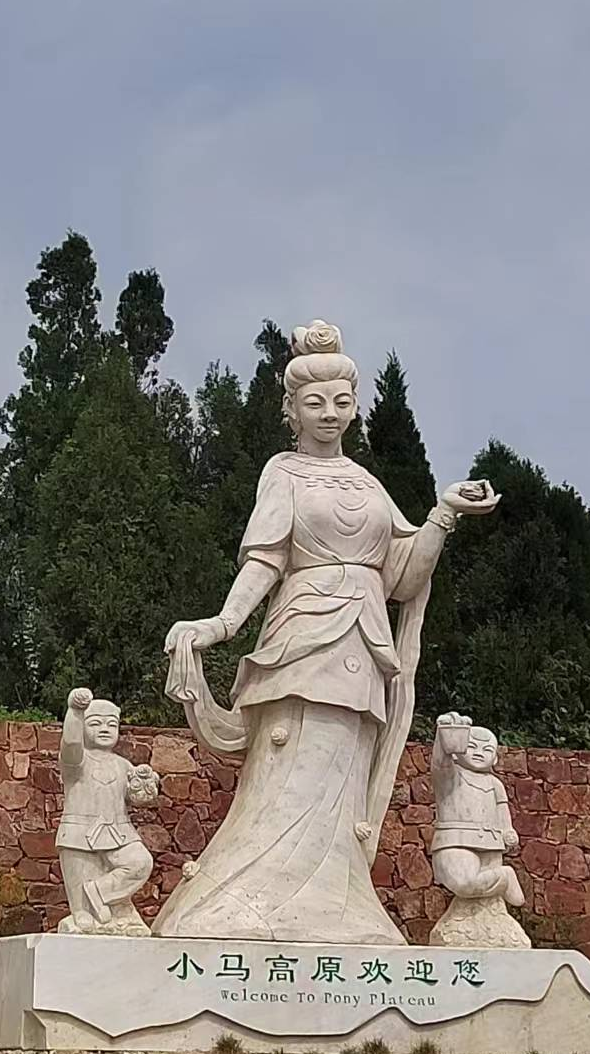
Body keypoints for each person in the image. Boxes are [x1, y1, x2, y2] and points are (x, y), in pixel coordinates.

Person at [154, 320, 499, 943]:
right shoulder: (283, 472)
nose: (330, 413)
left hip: (362, 642)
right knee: (288, 767)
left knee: (340, 778)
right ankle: (245, 904)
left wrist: (443, 514)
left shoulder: (367, 484)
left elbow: (402, 576)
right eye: (315, 402)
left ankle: (340, 908)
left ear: (355, 406)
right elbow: (266, 559)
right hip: (302, 631)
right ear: (292, 410)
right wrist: (225, 622)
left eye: (341, 401)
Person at [56, 687, 159, 934]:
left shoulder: (123, 765)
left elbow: (138, 797)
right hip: (79, 833)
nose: (104, 729)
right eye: (95, 723)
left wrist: (145, 784)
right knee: (83, 918)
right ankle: (85, 909)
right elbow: (71, 744)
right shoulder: (76, 762)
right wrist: (75, 712)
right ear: (83, 727)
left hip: (119, 834)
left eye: (111, 724)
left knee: (140, 862)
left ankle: (98, 892)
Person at [430, 712, 523, 906]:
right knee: (465, 883)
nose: (479, 752)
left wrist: (507, 830)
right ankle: (504, 877)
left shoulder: (495, 784)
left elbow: (502, 810)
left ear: (495, 759)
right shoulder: (451, 776)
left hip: (491, 843)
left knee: (486, 903)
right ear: (458, 752)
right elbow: (440, 764)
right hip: (455, 840)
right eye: (471, 746)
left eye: (487, 749)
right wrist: (446, 736)